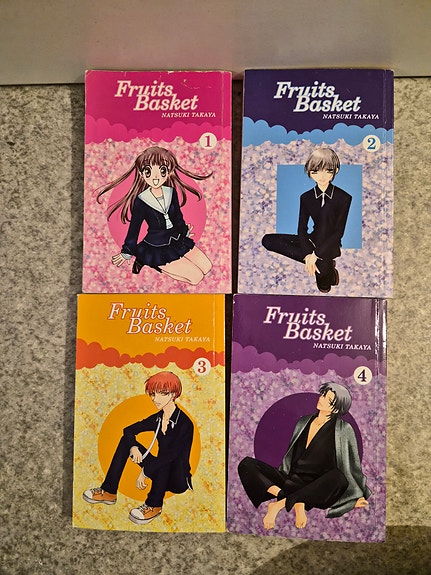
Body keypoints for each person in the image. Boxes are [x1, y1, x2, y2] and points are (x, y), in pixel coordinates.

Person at [237, 382, 370, 530]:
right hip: (290, 479)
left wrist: (355, 496)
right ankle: (291, 498)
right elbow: (290, 456)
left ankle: (280, 505)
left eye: (328, 399)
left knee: (339, 478)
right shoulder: (303, 421)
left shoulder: (344, 429)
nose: (321, 399)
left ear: (337, 408)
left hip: (318, 486)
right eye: (323, 395)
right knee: (247, 464)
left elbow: (351, 466)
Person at [83, 371, 194, 525]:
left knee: (165, 461)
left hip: (177, 478)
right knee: (126, 441)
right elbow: (129, 429)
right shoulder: (158, 418)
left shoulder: (185, 423)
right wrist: (134, 447)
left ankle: (154, 505)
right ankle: (109, 491)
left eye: (162, 393)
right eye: (153, 394)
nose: (155, 398)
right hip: (159, 471)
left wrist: (145, 471)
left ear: (173, 394)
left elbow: (170, 455)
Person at [97, 146, 212, 285]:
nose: (156, 177)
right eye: (148, 171)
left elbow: (177, 216)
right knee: (196, 278)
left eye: (162, 171)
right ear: (141, 173)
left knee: (207, 267)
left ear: (169, 171)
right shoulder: (141, 200)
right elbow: (134, 228)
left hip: (177, 239)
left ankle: (152, 261)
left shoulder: (171, 192)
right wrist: (127, 251)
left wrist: (184, 231)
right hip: (156, 247)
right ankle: (149, 261)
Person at [262, 148, 352, 293]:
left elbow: (338, 233)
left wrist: (316, 255)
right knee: (268, 240)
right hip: (312, 240)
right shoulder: (306, 197)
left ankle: (325, 265)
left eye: (327, 170)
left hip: (330, 245)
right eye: (316, 171)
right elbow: (301, 229)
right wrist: (307, 255)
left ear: (335, 170)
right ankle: (323, 264)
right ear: (309, 172)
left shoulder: (344, 197)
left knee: (324, 284)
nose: (322, 176)